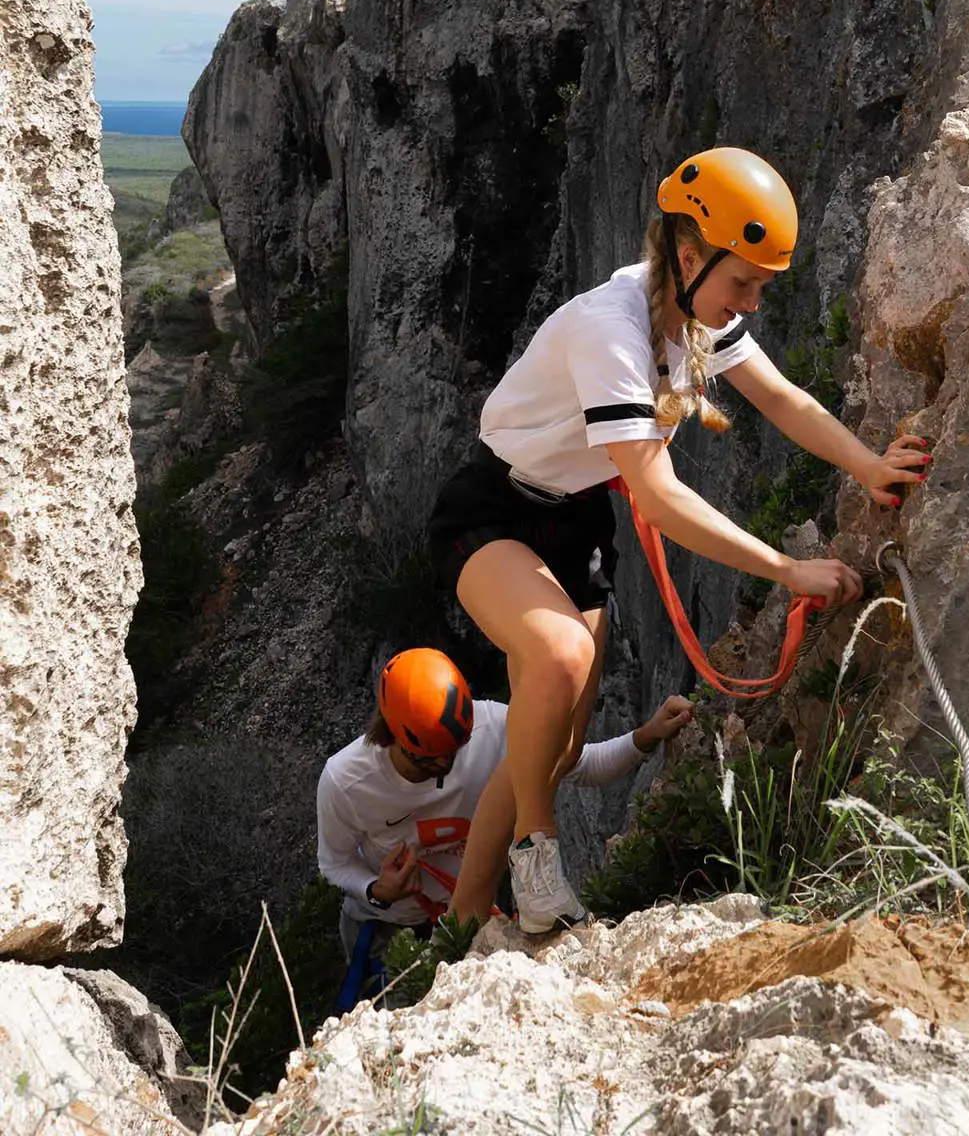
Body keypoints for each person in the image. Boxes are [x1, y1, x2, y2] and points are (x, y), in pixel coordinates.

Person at [427, 147, 931, 935]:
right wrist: (784, 567)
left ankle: (460, 926)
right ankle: (537, 872)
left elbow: (780, 398)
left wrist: (869, 465)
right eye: (744, 283)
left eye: (763, 287)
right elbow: (658, 499)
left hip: (575, 515)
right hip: (494, 511)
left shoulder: (695, 310)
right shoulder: (611, 329)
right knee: (556, 661)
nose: (753, 303)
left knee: (552, 744)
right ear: (689, 256)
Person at [317, 646, 693, 955]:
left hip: (468, 918)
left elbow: (580, 762)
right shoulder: (345, 781)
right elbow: (334, 862)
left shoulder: (494, 729)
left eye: (456, 750)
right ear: (395, 739)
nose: (448, 764)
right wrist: (377, 890)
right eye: (433, 759)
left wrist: (646, 736)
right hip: (384, 925)